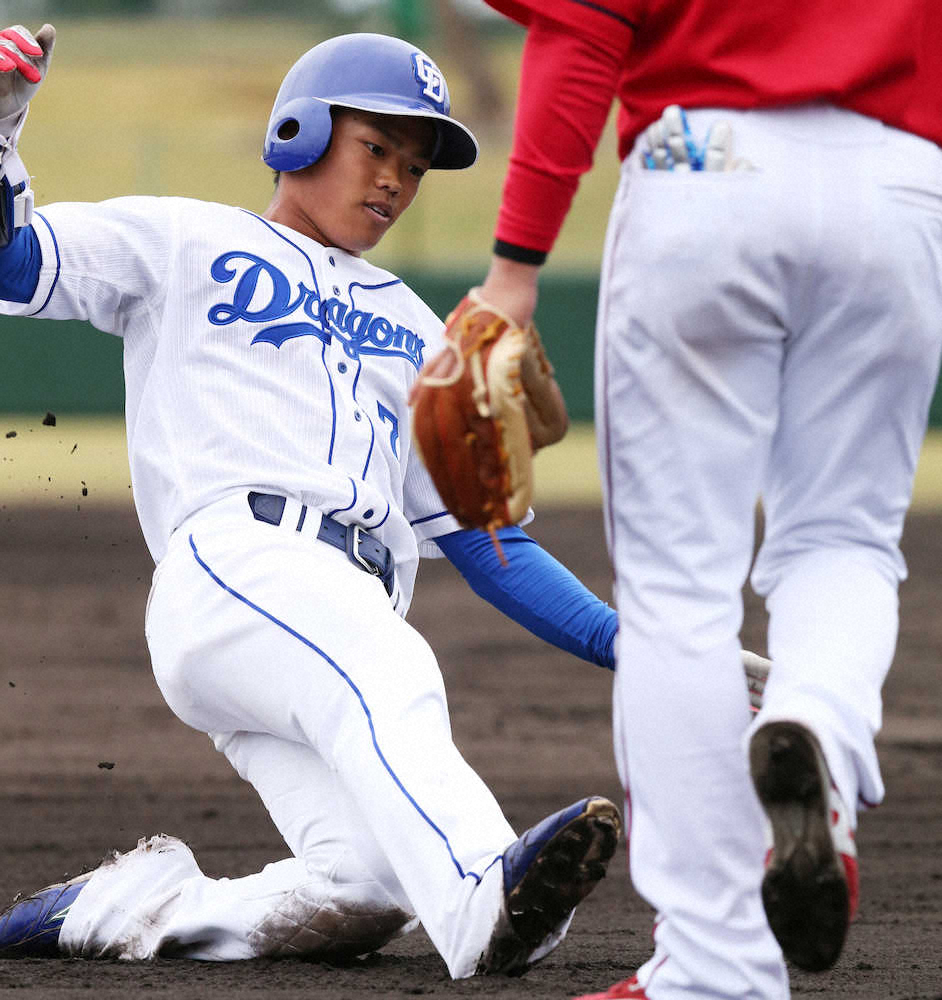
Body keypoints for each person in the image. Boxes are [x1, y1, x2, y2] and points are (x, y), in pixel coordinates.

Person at [0, 24, 631, 978]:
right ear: (298, 132)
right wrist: (3, 131)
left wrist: (625, 642)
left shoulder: (420, 329)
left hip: (328, 620)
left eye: (414, 167)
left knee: (364, 889)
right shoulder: (183, 239)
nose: (393, 181)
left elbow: (486, 540)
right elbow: (14, 261)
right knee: (389, 671)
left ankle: (120, 908)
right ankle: (484, 900)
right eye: (375, 147)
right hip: (238, 565)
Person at [453, 2, 942, 998]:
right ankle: (818, 734)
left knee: (682, 594)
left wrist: (516, 267)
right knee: (842, 536)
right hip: (900, 177)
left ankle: (715, 968)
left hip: (704, 165)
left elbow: (579, 27)